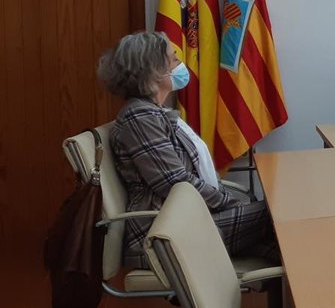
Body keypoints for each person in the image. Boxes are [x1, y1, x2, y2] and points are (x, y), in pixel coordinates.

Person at [98, 31, 276, 270]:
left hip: (187, 219)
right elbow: (176, 183)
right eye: (174, 59)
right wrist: (230, 203)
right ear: (153, 70)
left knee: (284, 244)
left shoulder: (152, 112)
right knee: (281, 213)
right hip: (163, 234)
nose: (181, 65)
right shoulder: (140, 117)